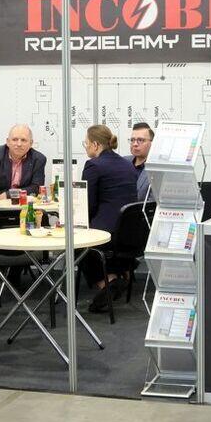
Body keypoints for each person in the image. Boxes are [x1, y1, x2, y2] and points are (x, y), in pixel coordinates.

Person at [80, 124, 140, 313]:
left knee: (76, 243)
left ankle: (108, 282)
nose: (86, 147)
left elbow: (87, 205)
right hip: (130, 235)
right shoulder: (127, 164)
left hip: (107, 234)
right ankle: (121, 272)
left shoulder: (93, 165)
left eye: (86, 143)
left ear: (95, 145)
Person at [0, 124, 46, 208]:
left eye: (23, 140)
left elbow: (36, 188)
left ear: (31, 143)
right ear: (8, 142)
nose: (19, 144)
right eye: (15, 139)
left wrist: (9, 194)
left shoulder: (38, 159)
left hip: (24, 208)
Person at [130, 121, 154, 201]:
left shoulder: (157, 169)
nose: (135, 144)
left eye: (140, 140)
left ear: (152, 143)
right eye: (132, 140)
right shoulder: (122, 162)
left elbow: (152, 204)